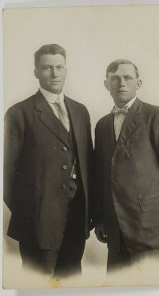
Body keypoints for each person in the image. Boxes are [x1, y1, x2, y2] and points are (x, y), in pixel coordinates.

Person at [4, 44, 93, 278]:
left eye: (59, 67)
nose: (54, 73)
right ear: (36, 72)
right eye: (47, 68)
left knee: (72, 281)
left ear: (66, 70)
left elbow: (88, 166)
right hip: (37, 223)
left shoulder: (80, 111)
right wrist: (32, 212)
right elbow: (6, 176)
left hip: (76, 219)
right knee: (39, 285)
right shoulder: (19, 113)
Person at [94, 59, 159, 272]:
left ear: (138, 84)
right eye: (115, 79)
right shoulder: (102, 125)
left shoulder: (157, 115)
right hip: (115, 228)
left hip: (149, 226)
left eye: (127, 78)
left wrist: (149, 196)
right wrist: (102, 219)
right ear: (106, 84)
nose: (121, 83)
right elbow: (101, 176)